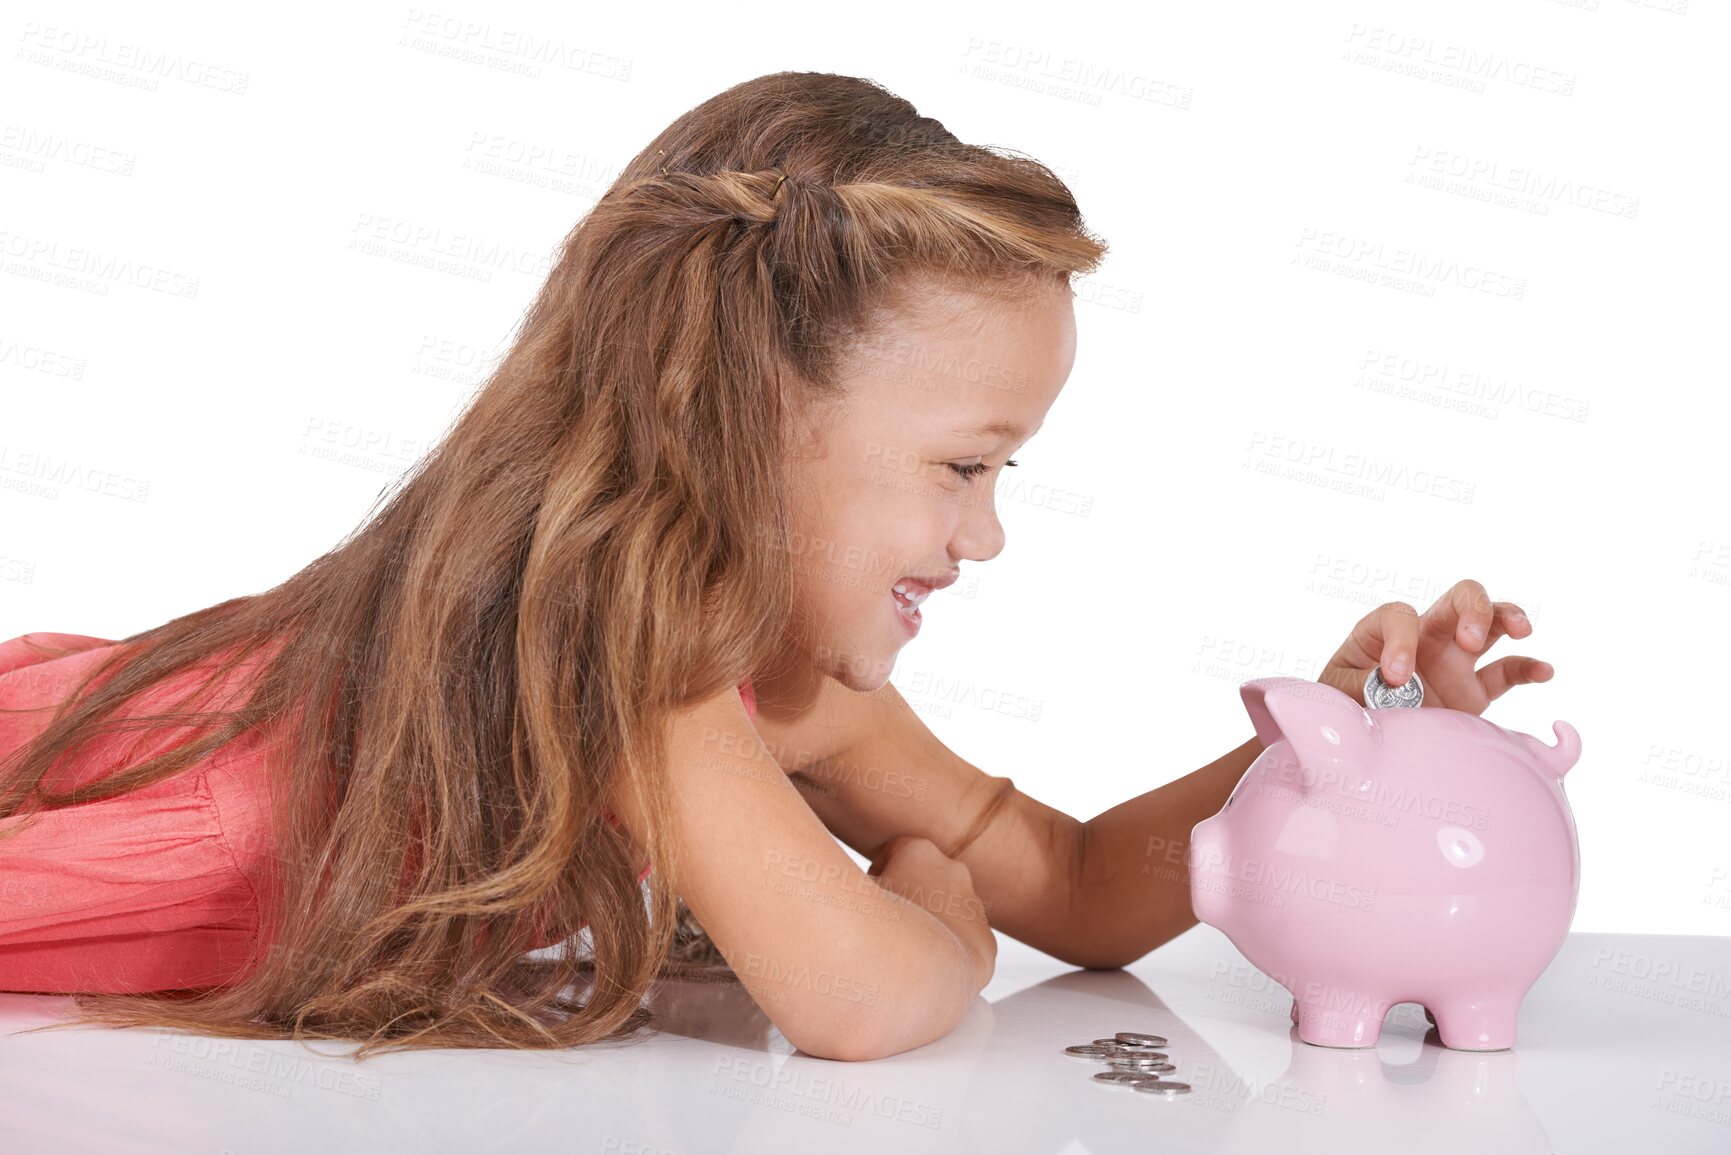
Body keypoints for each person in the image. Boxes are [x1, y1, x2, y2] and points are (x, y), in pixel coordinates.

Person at [0, 70, 1553, 1063]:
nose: (987, 532)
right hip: (86, 819)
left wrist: (1327, 739)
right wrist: (941, 909)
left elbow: (1082, 893)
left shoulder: (785, 689)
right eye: (961, 468)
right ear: (744, 415)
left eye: (1004, 474)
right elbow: (865, 1001)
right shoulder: (641, 650)